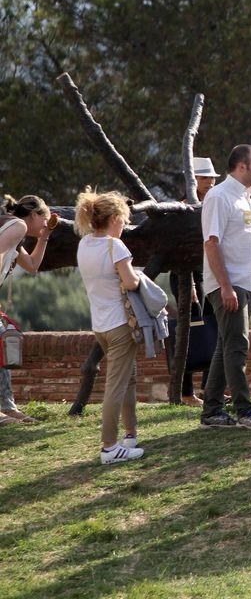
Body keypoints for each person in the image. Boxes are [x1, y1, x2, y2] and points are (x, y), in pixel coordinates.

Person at [198, 144, 251, 430]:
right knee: (238, 345)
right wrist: (225, 286)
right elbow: (211, 243)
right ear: (242, 166)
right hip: (229, 285)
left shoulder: (244, 197)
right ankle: (244, 410)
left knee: (226, 345)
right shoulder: (219, 197)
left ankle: (212, 411)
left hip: (245, 283)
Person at [74, 189, 144, 464]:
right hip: (120, 324)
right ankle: (109, 447)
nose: (125, 225)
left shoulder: (84, 245)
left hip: (100, 324)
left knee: (128, 378)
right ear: (114, 217)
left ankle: (130, 435)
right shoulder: (116, 247)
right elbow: (131, 283)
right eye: (123, 220)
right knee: (117, 385)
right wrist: (139, 277)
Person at [168, 157, 221, 407]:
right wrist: (187, 285)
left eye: (211, 177)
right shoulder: (182, 208)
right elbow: (179, 251)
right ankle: (186, 393)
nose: (209, 182)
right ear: (193, 180)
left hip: (207, 273)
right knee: (189, 332)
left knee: (212, 327)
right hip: (186, 275)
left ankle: (210, 388)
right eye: (204, 178)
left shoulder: (211, 204)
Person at [0, 194, 53, 424]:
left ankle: (7, 408)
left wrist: (46, 236)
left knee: (4, 342)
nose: (44, 223)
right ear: (34, 214)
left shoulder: (15, 233)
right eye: (44, 219)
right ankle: (6, 409)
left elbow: (32, 266)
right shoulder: (18, 226)